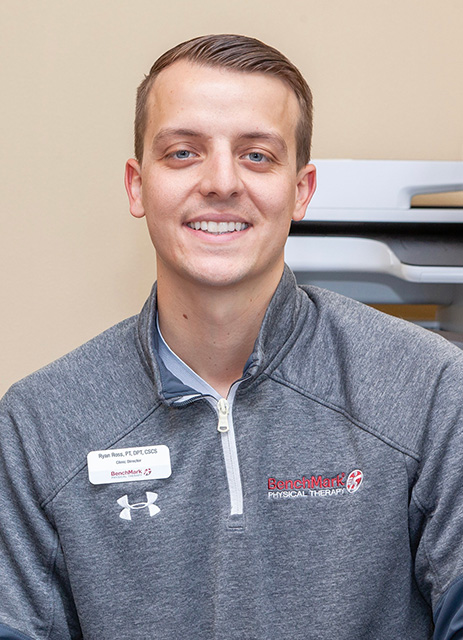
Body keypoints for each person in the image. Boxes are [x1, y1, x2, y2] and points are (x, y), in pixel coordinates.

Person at [0, 34, 462, 640]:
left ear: (302, 190)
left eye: (258, 156)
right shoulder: (39, 424)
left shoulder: (427, 388)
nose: (221, 182)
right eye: (184, 152)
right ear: (138, 186)